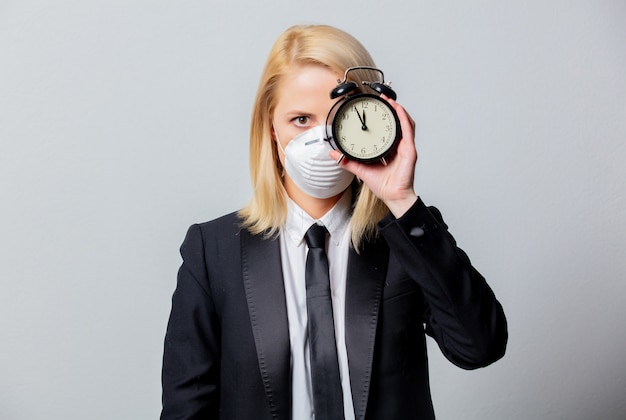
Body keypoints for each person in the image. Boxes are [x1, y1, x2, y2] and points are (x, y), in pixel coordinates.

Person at [161, 24, 507, 420]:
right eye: (301, 119)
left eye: (338, 118)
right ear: (271, 129)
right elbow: (185, 409)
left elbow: (480, 347)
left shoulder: (408, 236)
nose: (321, 140)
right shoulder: (213, 250)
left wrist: (401, 200)